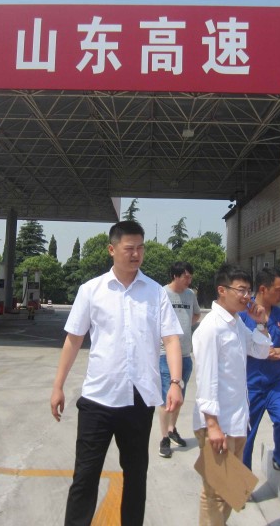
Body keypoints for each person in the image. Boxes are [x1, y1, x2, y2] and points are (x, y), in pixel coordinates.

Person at [50, 220, 184, 526]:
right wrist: (58, 386)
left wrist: (175, 382)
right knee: (85, 477)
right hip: (98, 399)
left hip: (139, 400)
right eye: (129, 248)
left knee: (136, 477)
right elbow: (74, 339)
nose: (136, 254)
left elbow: (171, 339)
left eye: (141, 248)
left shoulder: (155, 293)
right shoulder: (91, 290)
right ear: (112, 250)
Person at [192, 264, 271, 526]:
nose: (246, 296)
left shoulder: (236, 323)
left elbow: (260, 351)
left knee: (229, 492)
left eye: (248, 291)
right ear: (222, 290)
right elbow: (206, 379)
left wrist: (261, 323)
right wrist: (213, 425)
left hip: (237, 421)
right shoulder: (211, 328)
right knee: (214, 494)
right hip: (218, 423)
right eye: (241, 290)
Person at [238, 267, 280, 477]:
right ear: (263, 289)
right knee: (245, 435)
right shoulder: (243, 315)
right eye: (278, 290)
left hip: (275, 384)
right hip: (250, 385)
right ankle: (242, 481)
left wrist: (278, 353)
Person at [158, 261, 200, 458]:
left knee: (179, 397)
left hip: (185, 355)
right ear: (175, 276)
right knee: (166, 397)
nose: (188, 280)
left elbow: (196, 314)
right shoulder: (162, 293)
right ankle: (164, 438)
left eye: (190, 277)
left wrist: (184, 326)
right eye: (186, 277)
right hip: (165, 355)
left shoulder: (190, 295)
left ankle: (172, 429)